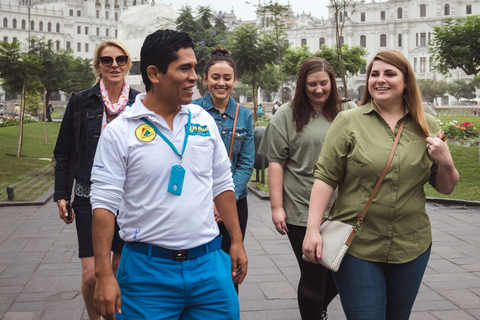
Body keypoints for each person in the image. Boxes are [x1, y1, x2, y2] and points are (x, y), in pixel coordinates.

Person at [90, 29, 248, 320]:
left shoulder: (203, 121)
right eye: (184, 68)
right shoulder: (120, 132)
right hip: (146, 274)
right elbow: (103, 205)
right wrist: (103, 275)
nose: (194, 77)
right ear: (154, 74)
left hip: (210, 268)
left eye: (194, 68)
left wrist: (236, 240)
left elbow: (223, 184)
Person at [303, 50, 459, 320]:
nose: (380, 80)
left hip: (412, 244)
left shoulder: (426, 125)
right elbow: (325, 178)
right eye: (374, 74)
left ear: (406, 81)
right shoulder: (348, 121)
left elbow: (445, 187)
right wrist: (312, 230)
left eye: (389, 73)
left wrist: (446, 161)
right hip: (358, 244)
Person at [258, 57, 356, 320]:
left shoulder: (346, 112)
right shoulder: (287, 114)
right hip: (301, 208)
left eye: (324, 83)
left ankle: (316, 310)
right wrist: (277, 207)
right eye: (312, 84)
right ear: (302, 85)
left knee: (343, 270)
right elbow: (275, 163)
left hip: (342, 208)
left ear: (332, 82)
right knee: (314, 272)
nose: (318, 89)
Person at [53, 40, 139, 320]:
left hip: (129, 199)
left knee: (116, 271)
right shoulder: (81, 101)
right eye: (107, 60)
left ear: (127, 63)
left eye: (120, 59)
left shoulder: (141, 102)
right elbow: (64, 151)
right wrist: (61, 194)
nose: (114, 65)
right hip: (89, 196)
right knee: (92, 275)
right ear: (98, 65)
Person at [192, 47, 254, 292]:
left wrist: (224, 200)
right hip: (198, 201)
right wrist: (210, 201)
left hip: (234, 204)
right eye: (215, 77)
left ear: (234, 81)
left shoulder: (244, 116)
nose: (221, 83)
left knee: (231, 267)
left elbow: (246, 163)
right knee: (200, 266)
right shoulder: (191, 111)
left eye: (227, 78)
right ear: (205, 78)